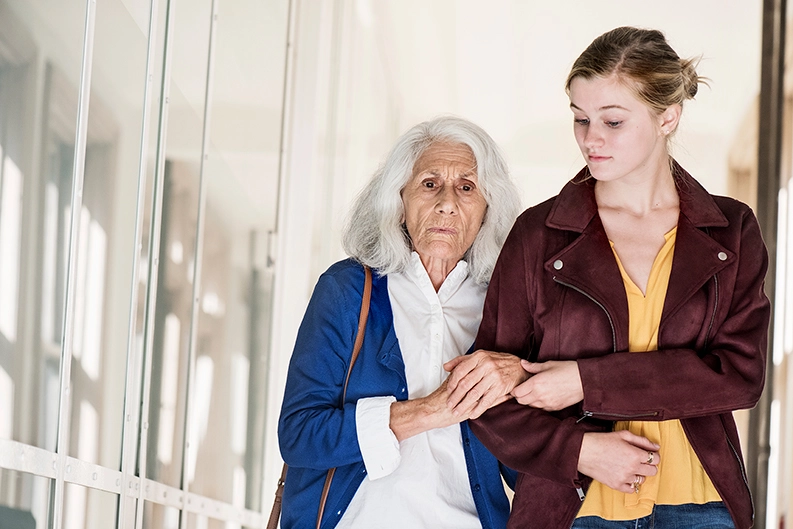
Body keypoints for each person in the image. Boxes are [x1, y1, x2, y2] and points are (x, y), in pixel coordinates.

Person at [451, 27, 771, 529]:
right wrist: (579, 450)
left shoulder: (732, 231)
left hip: (702, 508)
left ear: (668, 117)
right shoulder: (538, 234)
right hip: (571, 510)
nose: (590, 138)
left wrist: (585, 381)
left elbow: (739, 377)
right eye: (580, 119)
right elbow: (484, 394)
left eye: (612, 121)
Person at [277, 116, 525, 529]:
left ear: (488, 209)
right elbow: (300, 435)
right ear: (399, 199)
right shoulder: (348, 289)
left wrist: (520, 378)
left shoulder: (506, 303)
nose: (447, 202)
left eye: (467, 187)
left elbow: (527, 464)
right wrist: (430, 411)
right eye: (430, 184)